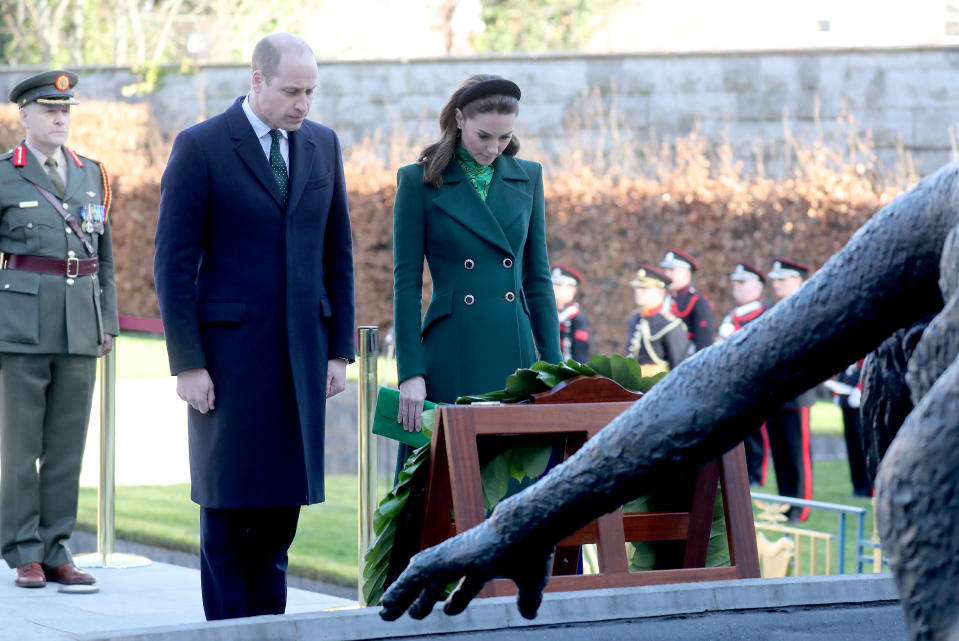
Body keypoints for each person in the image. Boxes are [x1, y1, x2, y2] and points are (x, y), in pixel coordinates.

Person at [153, 33, 355, 620]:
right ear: (257, 80)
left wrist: (338, 350)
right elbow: (173, 262)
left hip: (302, 359)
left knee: (278, 519)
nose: (304, 104)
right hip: (226, 362)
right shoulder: (202, 146)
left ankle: (269, 631)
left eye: (312, 91)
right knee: (225, 513)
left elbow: (335, 252)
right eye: (293, 90)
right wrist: (187, 362)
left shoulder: (323, 145)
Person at [0, 70, 118, 589]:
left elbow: (104, 261)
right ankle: (23, 550)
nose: (60, 118)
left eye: (66, 110)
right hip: (20, 328)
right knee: (20, 447)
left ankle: (57, 549)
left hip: (79, 326)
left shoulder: (92, 173)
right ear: (23, 115)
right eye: (49, 110)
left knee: (68, 446)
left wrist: (107, 323)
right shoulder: (5, 174)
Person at [393, 74, 562, 433]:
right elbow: (406, 284)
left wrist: (554, 368)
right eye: (483, 135)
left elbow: (538, 278)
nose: (493, 148)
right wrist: (411, 372)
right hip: (452, 347)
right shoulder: (418, 182)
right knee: (450, 474)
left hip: (515, 352)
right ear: (459, 120)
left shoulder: (529, 177)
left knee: (518, 476)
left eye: (505, 137)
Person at [766, 258, 817, 521]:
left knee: (798, 456)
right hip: (775, 394)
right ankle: (785, 505)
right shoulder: (774, 310)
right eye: (774, 279)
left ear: (798, 280)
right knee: (781, 455)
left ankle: (801, 508)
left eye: (782, 279)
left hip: (797, 392)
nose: (776, 284)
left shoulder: (808, 309)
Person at [717, 262, 768, 486]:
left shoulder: (762, 314)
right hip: (730, 385)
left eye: (742, 283)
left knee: (755, 435)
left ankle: (756, 477)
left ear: (756, 287)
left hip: (751, 384)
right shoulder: (734, 314)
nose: (736, 287)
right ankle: (740, 476)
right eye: (735, 282)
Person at [624, 264, 688, 375]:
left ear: (661, 291)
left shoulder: (670, 324)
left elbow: (679, 368)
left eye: (644, 288)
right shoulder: (636, 319)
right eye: (637, 287)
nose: (638, 291)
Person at [659, 249, 715, 353]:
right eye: (665, 270)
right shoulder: (663, 298)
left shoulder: (697, 300)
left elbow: (704, 341)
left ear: (686, 273)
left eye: (672, 271)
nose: (667, 275)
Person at [832, 360, 871, 497]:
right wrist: (837, 395)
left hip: (860, 405)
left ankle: (868, 486)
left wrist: (860, 389)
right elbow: (843, 376)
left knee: (863, 447)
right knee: (852, 447)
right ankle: (858, 485)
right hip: (847, 404)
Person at [551, 264, 590, 363]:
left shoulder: (578, 316)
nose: (554, 288)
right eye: (554, 285)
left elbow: (580, 355)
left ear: (572, 289)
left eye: (559, 285)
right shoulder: (554, 314)